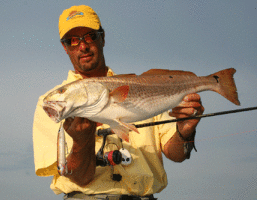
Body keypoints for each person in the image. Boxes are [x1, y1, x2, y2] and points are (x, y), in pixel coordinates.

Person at [33, 5, 204, 200]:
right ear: (65, 47)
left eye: (89, 36)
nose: (83, 46)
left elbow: (176, 154)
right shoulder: (50, 104)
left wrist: (185, 129)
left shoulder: (140, 88)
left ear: (102, 38)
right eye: (73, 41)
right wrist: (82, 140)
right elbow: (79, 177)